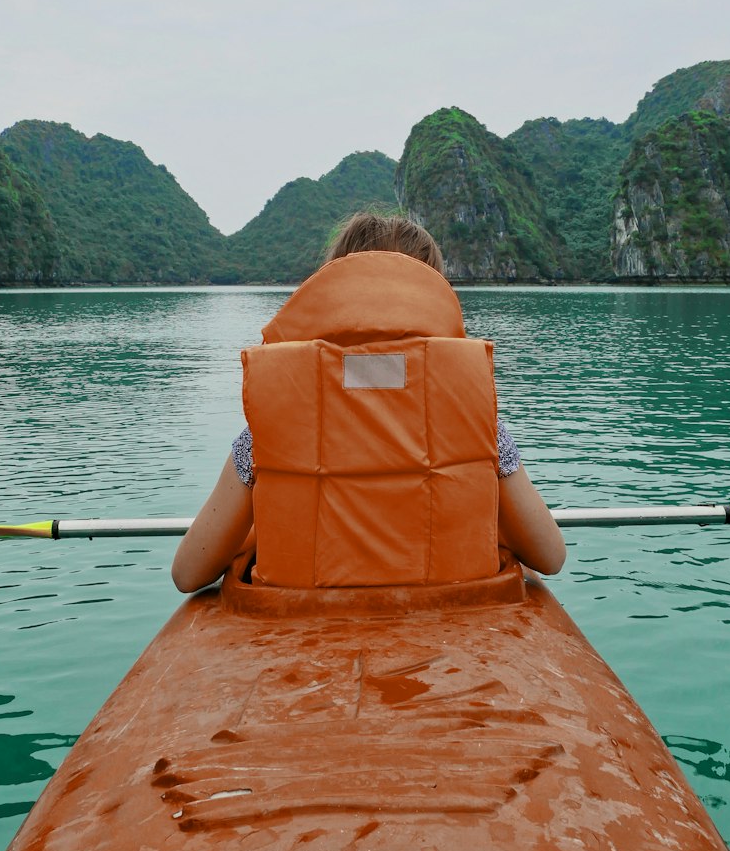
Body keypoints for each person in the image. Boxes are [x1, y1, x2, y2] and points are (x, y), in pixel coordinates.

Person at [172, 213, 566, 592]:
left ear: (329, 293)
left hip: (302, 629)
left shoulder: (273, 421)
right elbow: (549, 555)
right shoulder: (477, 419)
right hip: (445, 631)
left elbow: (189, 572)